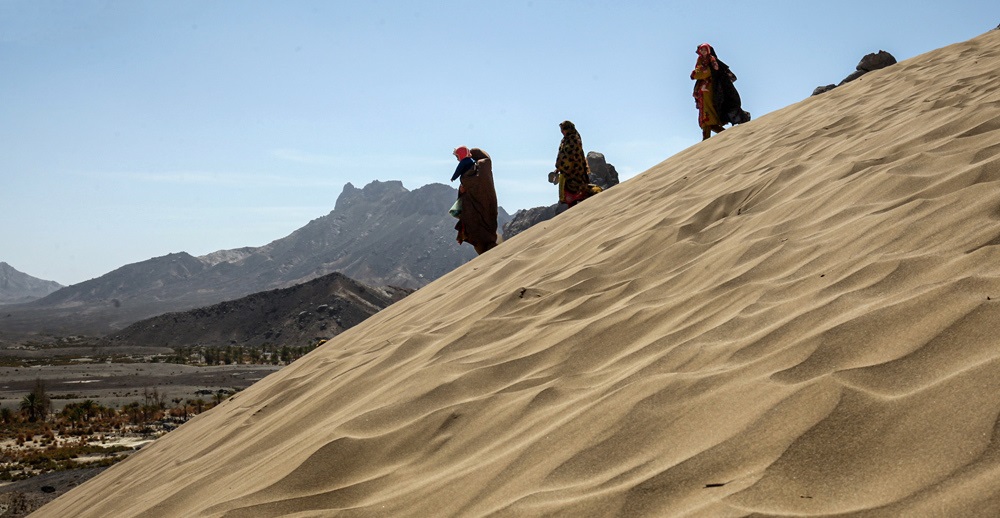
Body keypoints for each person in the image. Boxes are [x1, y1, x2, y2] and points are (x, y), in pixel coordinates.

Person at [691, 43, 750, 141]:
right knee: (706, 121)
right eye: (701, 51)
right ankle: (722, 138)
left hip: (712, 94)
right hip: (703, 97)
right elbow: (698, 73)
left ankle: (723, 138)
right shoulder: (701, 62)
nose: (702, 53)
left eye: (704, 50)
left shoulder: (711, 62)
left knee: (708, 119)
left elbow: (700, 74)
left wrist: (695, 73)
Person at [451, 146, 498, 255]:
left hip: (480, 208)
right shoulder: (478, 167)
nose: (457, 160)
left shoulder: (481, 166)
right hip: (477, 206)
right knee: (479, 232)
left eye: (458, 157)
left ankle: (490, 252)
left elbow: (472, 181)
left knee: (480, 233)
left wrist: (464, 184)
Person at [552, 120, 592, 208]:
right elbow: (562, 154)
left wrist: (562, 165)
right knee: (570, 197)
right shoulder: (565, 140)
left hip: (576, 171)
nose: (562, 132)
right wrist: (559, 168)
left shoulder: (574, 139)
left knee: (579, 193)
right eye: (561, 130)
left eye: (564, 129)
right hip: (566, 172)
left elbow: (572, 155)